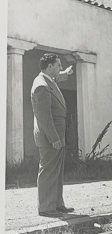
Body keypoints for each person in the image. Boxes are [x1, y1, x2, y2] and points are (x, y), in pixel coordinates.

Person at [31, 53, 74, 217]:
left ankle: (56, 203)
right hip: (50, 136)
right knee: (49, 170)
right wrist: (54, 138)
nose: (60, 68)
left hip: (56, 134)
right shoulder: (41, 86)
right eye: (58, 65)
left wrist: (66, 74)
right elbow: (44, 116)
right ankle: (46, 207)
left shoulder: (48, 80)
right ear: (50, 67)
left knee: (56, 170)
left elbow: (56, 79)